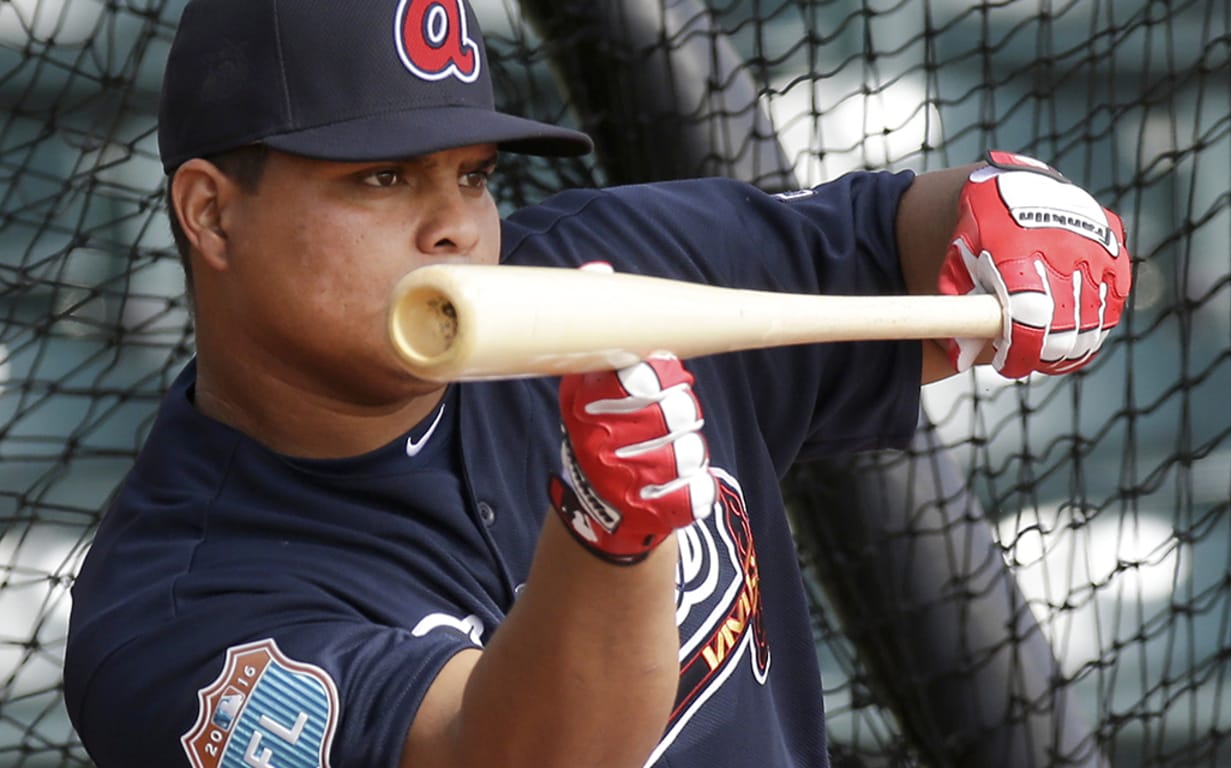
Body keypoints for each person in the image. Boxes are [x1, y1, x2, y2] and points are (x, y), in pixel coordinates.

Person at [61, 0, 1131, 766]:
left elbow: (890, 244)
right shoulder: (177, 622)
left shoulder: (607, 269)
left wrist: (1004, 220)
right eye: (381, 178)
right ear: (211, 213)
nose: (454, 225)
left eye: (473, 174)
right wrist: (605, 539)